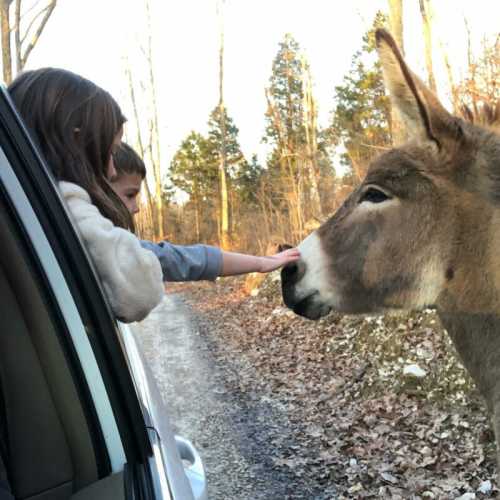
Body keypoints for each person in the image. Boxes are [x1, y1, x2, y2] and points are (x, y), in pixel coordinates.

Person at [8, 68, 165, 323]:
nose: (112, 170)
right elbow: (140, 292)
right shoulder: (66, 204)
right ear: (76, 141)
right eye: (110, 152)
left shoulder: (26, 200)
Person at [111, 142, 300, 282]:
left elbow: (182, 259)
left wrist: (261, 263)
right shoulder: (110, 250)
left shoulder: (111, 245)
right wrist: (261, 263)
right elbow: (180, 260)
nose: (136, 208)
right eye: (130, 195)